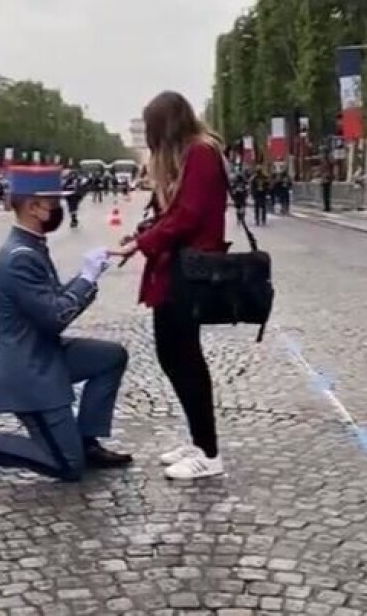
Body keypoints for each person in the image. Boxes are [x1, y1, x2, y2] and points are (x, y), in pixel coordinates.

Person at [0, 165, 132, 483]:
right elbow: (54, 317)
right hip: (27, 370)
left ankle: (86, 440)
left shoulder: (30, 245)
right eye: (54, 202)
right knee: (67, 466)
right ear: (33, 207)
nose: (60, 208)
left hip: (42, 353)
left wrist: (85, 275)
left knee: (111, 356)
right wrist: (87, 278)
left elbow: (51, 299)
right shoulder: (20, 256)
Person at [107, 90, 228, 480]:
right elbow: (176, 214)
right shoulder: (192, 154)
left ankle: (209, 453)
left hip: (187, 270)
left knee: (182, 357)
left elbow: (188, 217)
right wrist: (143, 236)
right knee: (175, 355)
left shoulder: (201, 154)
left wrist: (143, 242)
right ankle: (199, 441)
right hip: (176, 266)